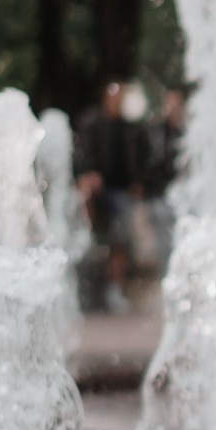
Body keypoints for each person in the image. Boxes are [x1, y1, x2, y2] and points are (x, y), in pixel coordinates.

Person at [76, 82, 139, 305]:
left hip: (120, 192)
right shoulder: (93, 123)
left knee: (119, 240)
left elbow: (134, 159)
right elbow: (83, 154)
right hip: (97, 192)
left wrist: (135, 182)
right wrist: (89, 175)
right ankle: (87, 291)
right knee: (90, 239)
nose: (116, 101)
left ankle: (114, 290)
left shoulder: (127, 128)